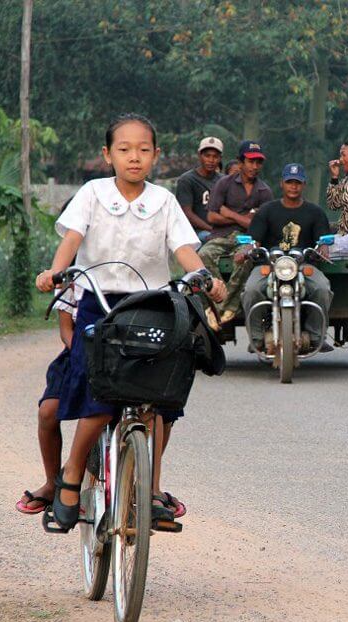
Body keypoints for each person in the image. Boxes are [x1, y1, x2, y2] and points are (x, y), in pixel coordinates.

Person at [34, 113, 226, 532]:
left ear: (156, 156)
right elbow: (72, 240)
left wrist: (207, 278)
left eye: (143, 150)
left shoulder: (164, 201)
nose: (133, 157)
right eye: (124, 149)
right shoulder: (92, 193)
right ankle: (70, 476)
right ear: (108, 155)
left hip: (152, 305)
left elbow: (184, 249)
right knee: (99, 400)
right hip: (98, 304)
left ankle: (150, 489)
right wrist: (54, 273)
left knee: (161, 400)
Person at [240, 163, 334, 354]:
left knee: (322, 289)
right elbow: (253, 240)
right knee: (251, 290)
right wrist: (247, 249)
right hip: (270, 265)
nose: (293, 186)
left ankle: (316, 337)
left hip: (303, 265)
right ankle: (257, 338)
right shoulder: (266, 210)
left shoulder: (315, 212)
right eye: (289, 182)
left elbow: (323, 240)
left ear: (304, 185)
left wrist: (324, 248)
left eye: (297, 182)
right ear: (281, 184)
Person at [16, 281, 79, 514]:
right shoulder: (74, 271)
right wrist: (83, 354)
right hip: (81, 352)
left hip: (131, 353)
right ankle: (52, 484)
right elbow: (66, 331)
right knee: (48, 411)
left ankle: (149, 491)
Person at [198, 140, 273, 327]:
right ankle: (217, 303)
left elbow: (259, 225)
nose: (254, 166)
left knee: (246, 258)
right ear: (240, 162)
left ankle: (226, 308)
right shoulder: (224, 184)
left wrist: (229, 213)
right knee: (203, 254)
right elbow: (212, 217)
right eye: (250, 161)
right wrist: (244, 218)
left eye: (258, 162)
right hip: (221, 235)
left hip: (248, 239)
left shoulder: (264, 191)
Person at [174, 136, 223, 244]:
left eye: (215, 156)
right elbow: (187, 213)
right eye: (207, 156)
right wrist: (211, 230)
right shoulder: (187, 180)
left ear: (220, 158)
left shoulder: (223, 180)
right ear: (200, 156)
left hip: (220, 231)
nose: (211, 160)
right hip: (195, 232)